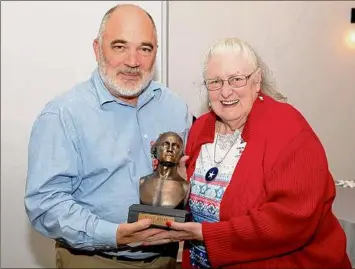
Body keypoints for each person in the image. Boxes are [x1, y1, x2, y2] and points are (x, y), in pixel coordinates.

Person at [144, 38, 352, 269]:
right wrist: (182, 186)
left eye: (236, 79)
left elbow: (293, 219)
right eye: (215, 82)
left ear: (257, 80)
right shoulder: (200, 128)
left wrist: (210, 235)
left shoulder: (289, 129)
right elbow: (198, 204)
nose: (225, 91)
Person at [24, 4, 192, 269]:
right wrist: (112, 235)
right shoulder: (63, 114)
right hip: (95, 260)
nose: (133, 61)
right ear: (97, 49)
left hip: (166, 259)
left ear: (155, 53)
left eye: (144, 48)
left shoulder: (175, 108)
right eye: (119, 46)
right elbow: (45, 205)